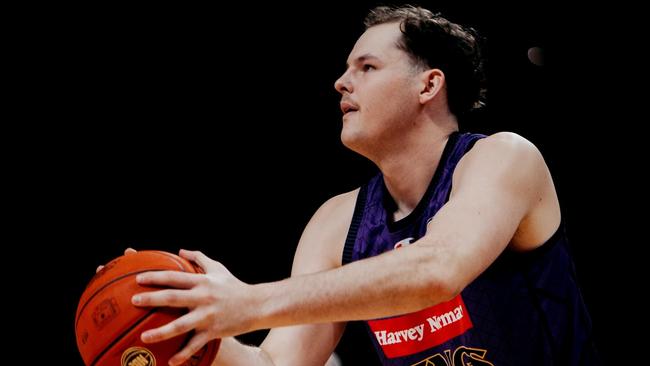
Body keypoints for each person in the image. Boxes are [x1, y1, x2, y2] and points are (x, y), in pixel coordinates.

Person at [122, 5, 598, 365]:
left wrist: (247, 301)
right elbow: (276, 363)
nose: (340, 83)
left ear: (428, 86)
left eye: (366, 68)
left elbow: (436, 269)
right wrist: (184, 320)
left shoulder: (504, 158)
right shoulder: (336, 222)